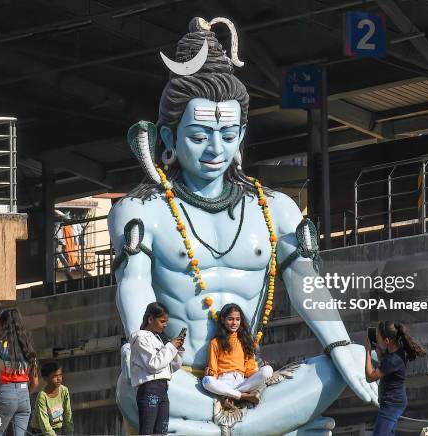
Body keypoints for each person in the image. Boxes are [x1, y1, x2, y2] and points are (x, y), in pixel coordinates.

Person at [110, 16, 377, 435]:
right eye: (198, 135)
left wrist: (339, 344)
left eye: (226, 133)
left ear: (242, 134)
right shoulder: (141, 210)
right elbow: (135, 283)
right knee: (136, 382)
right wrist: (138, 346)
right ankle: (267, 429)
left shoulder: (276, 208)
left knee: (349, 360)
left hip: (250, 382)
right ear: (167, 137)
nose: (215, 149)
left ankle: (217, 432)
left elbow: (306, 282)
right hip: (177, 380)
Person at [0, 308, 39, 436]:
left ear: (4, 326)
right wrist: (24, 394)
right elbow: (35, 383)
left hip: (6, 393)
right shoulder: (28, 348)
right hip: (24, 396)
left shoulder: (0, 347)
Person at [202, 304, 273, 408]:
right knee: (206, 381)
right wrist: (209, 373)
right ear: (222, 320)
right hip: (224, 381)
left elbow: (249, 369)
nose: (234, 323)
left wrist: (260, 371)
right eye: (230, 319)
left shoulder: (246, 341)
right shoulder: (215, 342)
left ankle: (230, 396)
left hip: (242, 382)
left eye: (237, 319)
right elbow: (214, 369)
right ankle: (241, 396)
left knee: (268, 370)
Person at [129, 302, 184, 435]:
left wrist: (177, 349)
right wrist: (170, 347)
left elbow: (172, 367)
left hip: (163, 388)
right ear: (150, 319)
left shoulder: (159, 339)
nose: (165, 325)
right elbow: (154, 365)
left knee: (161, 432)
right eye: (162, 321)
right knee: (147, 432)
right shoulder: (140, 337)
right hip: (149, 388)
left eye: (166, 322)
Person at [365, 321, 427, 436]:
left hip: (391, 404)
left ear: (387, 341)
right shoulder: (396, 350)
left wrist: (368, 351)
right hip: (392, 402)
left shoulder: (393, 360)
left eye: (378, 335)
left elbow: (370, 377)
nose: (376, 337)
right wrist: (378, 350)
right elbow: (384, 363)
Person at [31, 362, 74, 436]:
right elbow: (44, 425)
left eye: (60, 375)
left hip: (57, 429)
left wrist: (70, 432)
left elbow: (68, 414)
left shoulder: (64, 390)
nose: (59, 379)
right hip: (40, 431)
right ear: (45, 378)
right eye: (55, 376)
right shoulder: (42, 396)